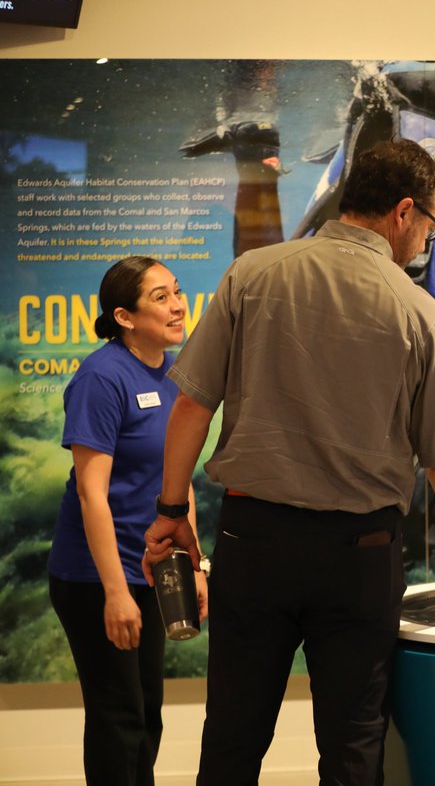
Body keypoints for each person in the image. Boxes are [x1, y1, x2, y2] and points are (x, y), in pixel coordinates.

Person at [140, 139, 435, 785]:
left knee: (233, 735)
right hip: (358, 555)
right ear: (404, 212)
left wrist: (171, 509)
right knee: (353, 746)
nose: (427, 240)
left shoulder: (252, 275)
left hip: (252, 538)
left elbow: (191, 408)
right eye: (431, 222)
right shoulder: (419, 314)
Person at [48, 256, 207, 785]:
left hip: (153, 569)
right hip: (96, 578)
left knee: (147, 714)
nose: (178, 305)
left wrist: (195, 564)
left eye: (177, 292)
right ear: (124, 316)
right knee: (119, 717)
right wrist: (115, 592)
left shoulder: (175, 373)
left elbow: (177, 481)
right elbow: (93, 496)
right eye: (160, 297)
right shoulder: (101, 377)